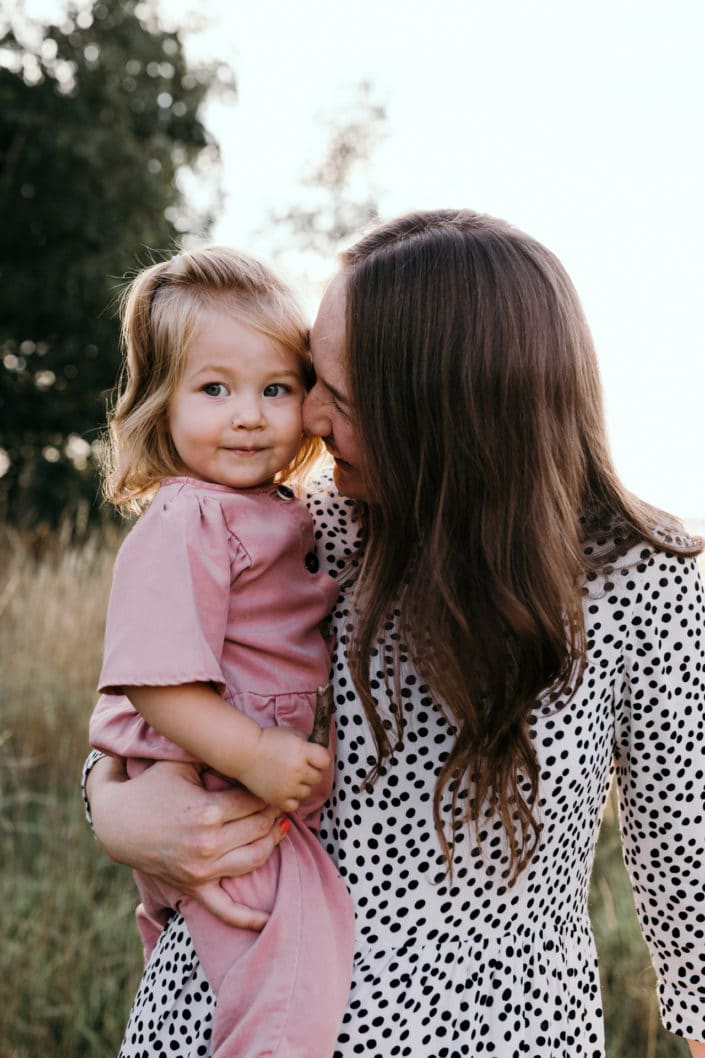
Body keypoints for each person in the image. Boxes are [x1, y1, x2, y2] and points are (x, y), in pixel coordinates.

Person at [84, 210, 705, 1058]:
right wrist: (112, 807)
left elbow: (687, 859)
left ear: (439, 409)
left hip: (503, 1035)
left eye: (334, 393)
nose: (301, 414)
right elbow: (150, 699)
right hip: (232, 1018)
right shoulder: (306, 531)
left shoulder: (640, 577)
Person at [88, 245, 354, 1058]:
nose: (248, 414)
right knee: (286, 961)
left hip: (229, 769)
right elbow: (153, 685)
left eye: (275, 389)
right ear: (161, 406)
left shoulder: (281, 510)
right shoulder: (187, 520)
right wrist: (258, 753)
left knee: (224, 947)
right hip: (214, 770)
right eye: (214, 390)